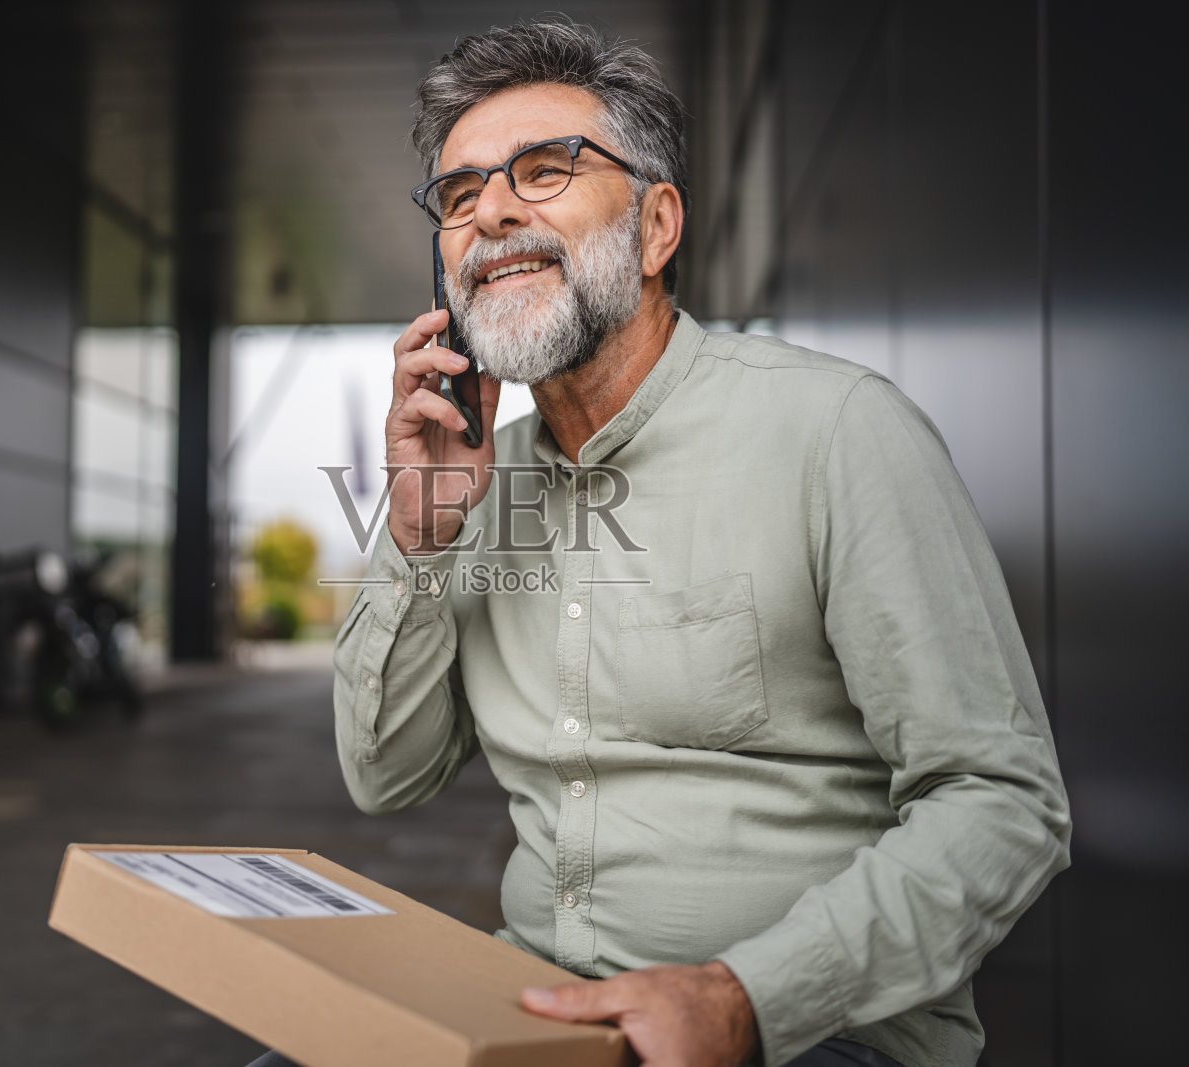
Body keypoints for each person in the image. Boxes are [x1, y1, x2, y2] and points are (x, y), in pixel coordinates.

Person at [311, 20, 1068, 1067]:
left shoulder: (836, 431)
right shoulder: (470, 482)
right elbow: (384, 777)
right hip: (535, 1013)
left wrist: (745, 997)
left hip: (810, 1035)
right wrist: (417, 535)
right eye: (459, 192)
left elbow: (1003, 801)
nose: (490, 211)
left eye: (544, 169)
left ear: (656, 226)